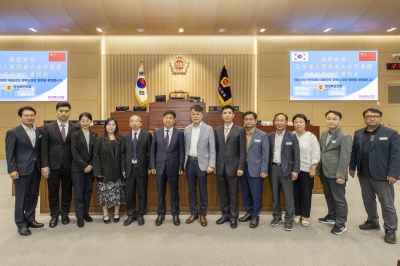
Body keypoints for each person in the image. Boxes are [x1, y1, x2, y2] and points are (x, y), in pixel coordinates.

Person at [349, 108, 400, 244]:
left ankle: (390, 229)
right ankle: (372, 221)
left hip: (383, 175)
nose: (372, 118)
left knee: (387, 203)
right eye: (368, 116)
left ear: (380, 118)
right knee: (368, 200)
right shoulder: (359, 133)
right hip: (364, 174)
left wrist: (394, 173)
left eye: (375, 116)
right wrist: (352, 166)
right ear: (364, 119)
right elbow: (354, 151)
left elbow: (396, 155)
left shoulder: (391, 133)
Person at [5, 106, 43, 236]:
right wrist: (12, 169)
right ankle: (21, 224)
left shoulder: (38, 131)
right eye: (26, 115)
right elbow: (9, 153)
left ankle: (30, 219)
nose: (29, 117)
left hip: (35, 168)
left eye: (32, 115)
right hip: (21, 170)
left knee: (33, 196)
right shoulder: (13, 132)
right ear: (20, 117)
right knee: (21, 198)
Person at [41, 101, 80, 228]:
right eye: (61, 111)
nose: (64, 113)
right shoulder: (48, 127)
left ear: (69, 112)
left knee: (67, 191)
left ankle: (65, 214)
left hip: (69, 165)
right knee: (53, 191)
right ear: (56, 112)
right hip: (53, 165)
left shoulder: (75, 127)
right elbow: (44, 147)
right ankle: (54, 215)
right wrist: (45, 165)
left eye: (66, 111)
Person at [317, 110, 352, 235]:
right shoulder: (324, 133)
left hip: (336, 173)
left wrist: (341, 175)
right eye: (329, 118)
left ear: (340, 121)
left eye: (334, 119)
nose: (331, 121)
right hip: (324, 171)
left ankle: (341, 223)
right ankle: (332, 216)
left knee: (339, 199)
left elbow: (345, 158)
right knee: (328, 195)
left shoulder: (344, 136)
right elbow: (322, 152)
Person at [214, 105, 246, 229]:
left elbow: (242, 151)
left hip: (234, 167)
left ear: (233, 115)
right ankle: (225, 215)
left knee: (233, 193)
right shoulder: (216, 130)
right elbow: (215, 150)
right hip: (220, 167)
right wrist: (214, 164)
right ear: (222, 115)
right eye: (225, 113)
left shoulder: (240, 130)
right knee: (222, 193)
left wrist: (240, 167)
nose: (227, 115)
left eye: (229, 113)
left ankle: (233, 217)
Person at [150, 110, 184, 226]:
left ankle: (175, 214)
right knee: (160, 192)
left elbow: (182, 151)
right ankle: (160, 214)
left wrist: (181, 166)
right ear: (163, 119)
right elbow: (153, 150)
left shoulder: (179, 133)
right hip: (159, 167)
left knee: (174, 192)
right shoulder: (157, 132)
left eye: (170, 118)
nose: (168, 120)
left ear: (174, 120)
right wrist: (153, 165)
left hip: (173, 167)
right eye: (166, 118)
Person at [184, 105, 216, 227]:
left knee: (203, 190)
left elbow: (212, 148)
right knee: (191, 190)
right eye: (193, 114)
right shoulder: (187, 129)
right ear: (190, 115)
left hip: (203, 163)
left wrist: (211, 165)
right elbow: (184, 147)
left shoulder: (208, 129)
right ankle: (194, 213)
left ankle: (202, 214)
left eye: (198, 114)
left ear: (202, 115)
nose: (195, 116)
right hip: (190, 162)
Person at [267, 113, 300, 231]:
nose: (279, 123)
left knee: (288, 196)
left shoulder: (292, 136)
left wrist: (295, 170)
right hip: (274, 168)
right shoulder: (270, 136)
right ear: (274, 122)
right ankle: (277, 217)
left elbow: (297, 155)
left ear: (286, 122)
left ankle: (289, 219)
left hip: (288, 169)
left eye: (282, 120)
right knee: (275, 195)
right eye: (277, 120)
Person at [238, 111, 269, 228]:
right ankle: (249, 212)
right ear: (243, 121)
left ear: (255, 121)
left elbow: (266, 154)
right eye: (246, 119)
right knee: (245, 193)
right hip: (243, 169)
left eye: (251, 119)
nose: (248, 121)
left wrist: (264, 170)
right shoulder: (241, 134)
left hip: (256, 169)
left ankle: (255, 216)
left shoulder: (262, 135)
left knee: (256, 194)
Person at [93, 117, 126, 224]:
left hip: (118, 171)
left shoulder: (121, 138)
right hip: (104, 171)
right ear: (105, 126)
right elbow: (95, 156)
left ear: (116, 126)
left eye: (113, 124)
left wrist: (124, 169)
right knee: (104, 193)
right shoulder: (99, 139)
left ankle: (116, 213)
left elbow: (124, 155)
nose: (111, 127)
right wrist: (97, 171)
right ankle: (105, 214)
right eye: (108, 125)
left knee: (117, 192)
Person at [121, 115, 152, 226]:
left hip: (142, 168)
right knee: (130, 193)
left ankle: (140, 215)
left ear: (140, 123)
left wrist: (150, 167)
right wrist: (123, 168)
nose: (134, 123)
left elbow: (150, 152)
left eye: (137, 121)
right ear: (129, 124)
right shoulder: (125, 136)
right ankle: (131, 214)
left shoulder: (147, 135)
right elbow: (123, 154)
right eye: (132, 121)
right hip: (129, 169)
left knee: (142, 193)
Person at [292, 114, 320, 227]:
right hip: (293, 169)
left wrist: (313, 168)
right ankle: (297, 214)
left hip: (306, 169)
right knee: (295, 192)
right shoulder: (291, 135)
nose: (298, 124)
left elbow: (316, 153)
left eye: (301, 122)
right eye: (296, 122)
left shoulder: (311, 137)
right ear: (293, 123)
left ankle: (305, 216)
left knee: (306, 193)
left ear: (305, 123)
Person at [71, 112, 98, 228]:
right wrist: (84, 165)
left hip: (90, 169)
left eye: (87, 120)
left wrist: (90, 165)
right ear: (79, 122)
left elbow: (96, 153)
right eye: (83, 121)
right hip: (78, 169)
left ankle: (86, 213)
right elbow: (74, 152)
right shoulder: (75, 135)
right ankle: (79, 216)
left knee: (88, 191)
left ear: (91, 122)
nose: (85, 123)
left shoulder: (95, 135)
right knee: (79, 192)